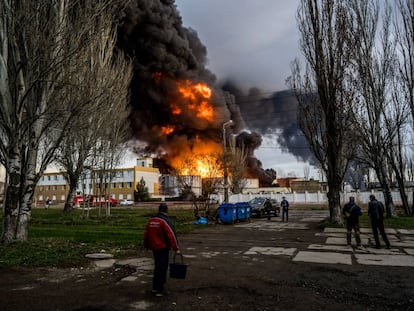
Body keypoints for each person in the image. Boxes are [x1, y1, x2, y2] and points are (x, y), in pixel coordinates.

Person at [144, 203, 181, 297]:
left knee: (157, 267)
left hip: (154, 248)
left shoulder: (151, 220)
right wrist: (176, 248)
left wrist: (146, 245)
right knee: (162, 268)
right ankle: (159, 289)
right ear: (166, 211)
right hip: (162, 248)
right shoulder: (164, 221)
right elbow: (171, 235)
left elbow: (146, 234)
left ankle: (155, 287)